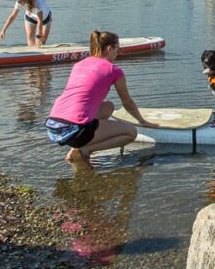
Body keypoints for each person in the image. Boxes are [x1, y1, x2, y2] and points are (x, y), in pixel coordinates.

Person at [45, 30, 159, 167]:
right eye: (118, 48)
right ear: (110, 48)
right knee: (131, 133)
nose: (119, 52)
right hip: (76, 129)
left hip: (54, 126)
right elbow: (127, 102)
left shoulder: (79, 64)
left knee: (108, 107)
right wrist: (143, 121)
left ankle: (76, 148)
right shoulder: (114, 71)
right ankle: (85, 149)